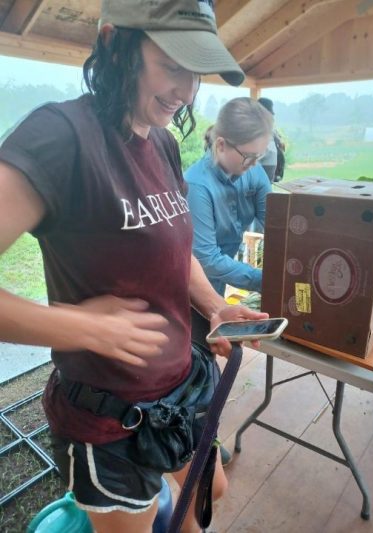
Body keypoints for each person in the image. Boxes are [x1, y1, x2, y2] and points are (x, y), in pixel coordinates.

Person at [0, 2, 270, 532]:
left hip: (181, 386)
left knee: (208, 491)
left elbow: (173, 249)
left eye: (195, 72)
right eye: (171, 64)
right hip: (109, 415)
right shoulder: (60, 136)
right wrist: (85, 327)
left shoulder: (162, 142)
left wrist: (213, 306)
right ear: (113, 42)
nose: (186, 91)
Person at [185, 97, 274, 298]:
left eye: (259, 156)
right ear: (221, 145)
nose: (254, 164)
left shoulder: (253, 171)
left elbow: (276, 224)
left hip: (223, 274)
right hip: (194, 284)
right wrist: (266, 280)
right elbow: (207, 260)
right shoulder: (197, 186)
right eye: (248, 156)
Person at [258, 97, 286, 183]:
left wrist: (279, 140)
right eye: (270, 113)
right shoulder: (257, 130)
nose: (273, 115)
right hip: (263, 168)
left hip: (270, 170)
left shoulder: (270, 129)